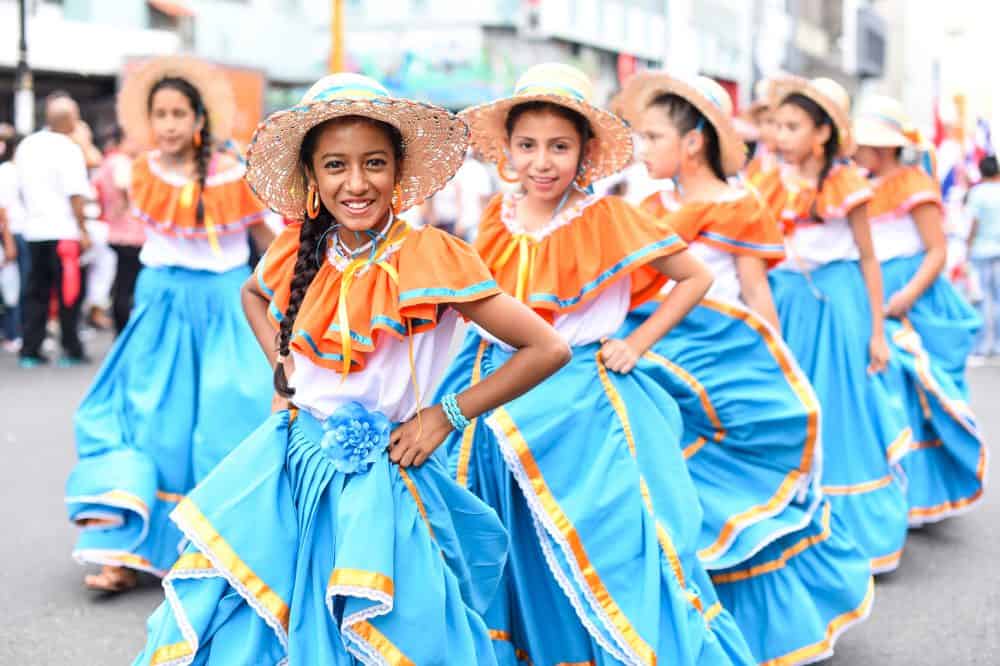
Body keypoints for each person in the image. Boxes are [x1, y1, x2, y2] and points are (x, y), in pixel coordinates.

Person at [134, 72, 571, 664]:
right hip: (290, 465)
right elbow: (253, 296)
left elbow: (547, 347)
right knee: (256, 621)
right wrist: (283, 371)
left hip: (384, 484)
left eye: (374, 163)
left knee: (392, 630)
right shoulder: (298, 248)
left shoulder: (431, 256)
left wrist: (444, 417)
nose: (357, 183)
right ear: (312, 177)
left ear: (399, 170)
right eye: (335, 166)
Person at [436, 62, 754, 665]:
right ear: (507, 150)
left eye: (559, 146)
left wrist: (639, 343)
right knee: (513, 538)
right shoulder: (495, 218)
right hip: (495, 391)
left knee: (603, 543)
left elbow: (694, 276)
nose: (542, 161)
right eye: (527, 146)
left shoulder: (607, 218)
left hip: (582, 401)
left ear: (584, 151)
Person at [618, 71, 874, 664]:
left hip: (724, 370)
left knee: (733, 496)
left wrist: (780, 374)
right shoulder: (648, 206)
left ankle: (759, 632)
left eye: (653, 136)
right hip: (655, 365)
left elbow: (757, 297)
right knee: (669, 497)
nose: (642, 148)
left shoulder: (740, 204)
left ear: (693, 143)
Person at [65, 56, 275, 592]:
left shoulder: (237, 174)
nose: (170, 123)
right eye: (160, 113)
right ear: (148, 120)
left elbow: (267, 247)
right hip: (161, 308)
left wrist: (304, 291)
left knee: (230, 419)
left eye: (180, 112)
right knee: (149, 424)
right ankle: (128, 551)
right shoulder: (141, 172)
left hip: (226, 306)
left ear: (199, 117)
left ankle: (222, 552)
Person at [760, 77, 912, 573]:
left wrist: (875, 331)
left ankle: (858, 537)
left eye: (792, 126)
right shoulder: (767, 181)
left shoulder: (847, 184)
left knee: (843, 414)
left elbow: (869, 260)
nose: (780, 135)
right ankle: (799, 536)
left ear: (821, 133)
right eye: (777, 125)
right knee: (794, 411)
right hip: (786, 307)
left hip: (838, 305)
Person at [854, 96, 986, 525]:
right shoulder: (862, 184)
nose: (857, 151)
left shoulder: (916, 185)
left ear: (885, 147)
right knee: (888, 391)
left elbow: (936, 251)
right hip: (878, 294)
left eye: (865, 144)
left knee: (920, 391)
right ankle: (899, 486)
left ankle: (922, 492)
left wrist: (908, 295)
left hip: (914, 297)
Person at [15, 95, 93, 366]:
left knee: (35, 293)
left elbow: (20, 189)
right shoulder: (68, 148)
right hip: (64, 234)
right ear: (71, 120)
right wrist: (83, 230)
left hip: (34, 231)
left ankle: (30, 350)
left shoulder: (27, 145)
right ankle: (71, 350)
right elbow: (76, 195)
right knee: (68, 293)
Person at [93, 124, 145, 333]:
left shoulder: (108, 161)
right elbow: (125, 187)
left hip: (117, 231)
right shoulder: (121, 162)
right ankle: (124, 330)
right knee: (127, 286)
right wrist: (126, 204)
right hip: (130, 234)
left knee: (121, 284)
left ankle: (121, 328)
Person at [967, 154, 1000, 357]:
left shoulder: (977, 193)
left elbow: (973, 223)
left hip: (980, 251)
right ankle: (998, 344)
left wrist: (967, 245)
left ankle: (981, 346)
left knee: (981, 299)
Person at [0, 126, 26, 351]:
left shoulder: (11, 170)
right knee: (14, 286)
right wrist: (8, 242)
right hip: (13, 234)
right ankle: (12, 332)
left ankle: (13, 332)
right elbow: (3, 209)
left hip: (16, 233)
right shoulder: (8, 171)